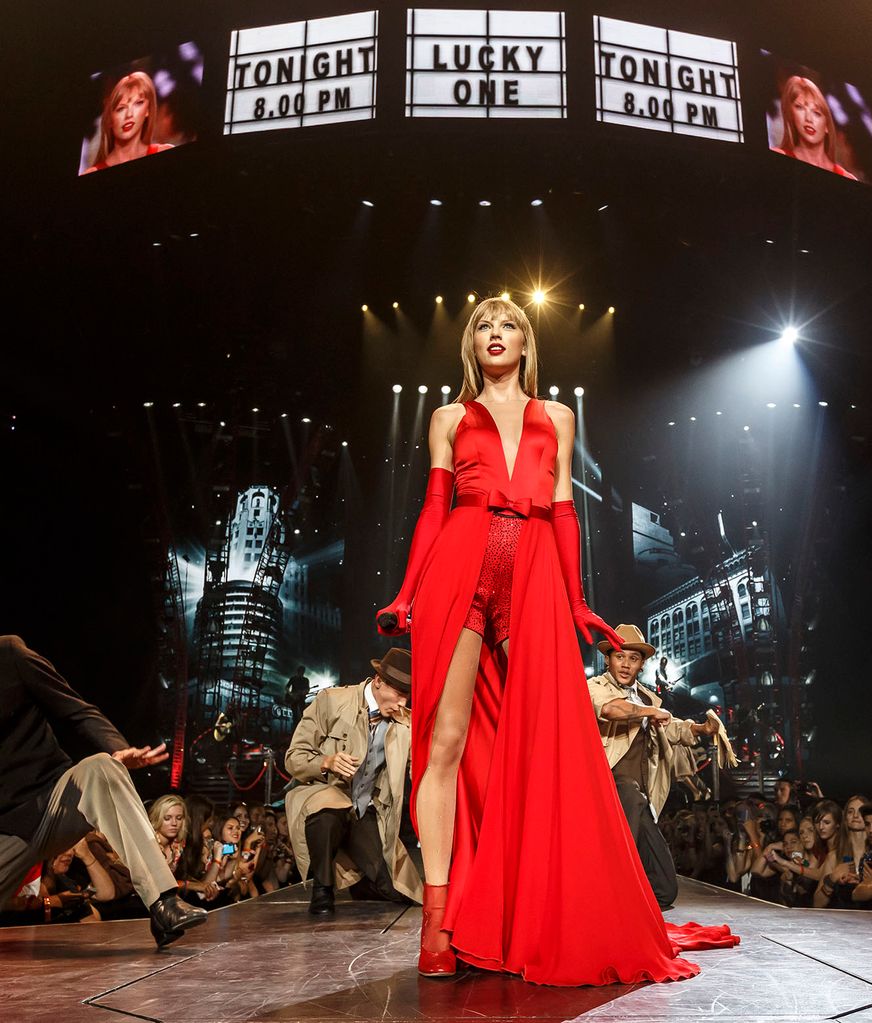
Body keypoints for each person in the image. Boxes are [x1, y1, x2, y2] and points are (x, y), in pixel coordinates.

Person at [376, 297, 738, 984]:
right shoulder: (449, 417)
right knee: (444, 739)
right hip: (461, 561)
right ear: (470, 344)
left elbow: (566, 508)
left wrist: (575, 599)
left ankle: (543, 904)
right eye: (482, 326)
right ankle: (437, 921)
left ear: (526, 342)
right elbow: (433, 505)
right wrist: (404, 590)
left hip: (536, 568)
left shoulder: (557, 417)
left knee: (552, 740)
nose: (494, 334)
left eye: (507, 324)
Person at [0, 635, 207, 946]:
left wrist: (119, 750)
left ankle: (163, 902)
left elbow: (76, 709)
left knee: (101, 767)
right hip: (6, 835)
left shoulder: (8, 654)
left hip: (54, 802)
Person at [586, 623, 736, 909]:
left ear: (642, 664)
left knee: (665, 891)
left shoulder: (647, 698)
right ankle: (606, 897)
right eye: (620, 656)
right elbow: (611, 709)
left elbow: (670, 726)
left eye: (633, 658)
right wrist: (651, 711)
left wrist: (702, 728)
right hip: (606, 788)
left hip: (642, 799)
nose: (626, 664)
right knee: (628, 795)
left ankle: (631, 910)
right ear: (608, 659)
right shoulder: (595, 687)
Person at [285, 647, 422, 915]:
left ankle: (363, 881)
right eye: (399, 693)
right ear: (379, 681)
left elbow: (418, 768)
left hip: (365, 808)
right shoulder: (332, 701)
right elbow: (293, 757)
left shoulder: (405, 722)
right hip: (325, 798)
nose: (403, 703)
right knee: (326, 814)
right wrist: (326, 762)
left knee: (397, 891)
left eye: (408, 696)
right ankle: (322, 888)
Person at [83, 71, 174, 174]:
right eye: (121, 108)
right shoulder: (91, 169)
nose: (129, 114)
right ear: (109, 118)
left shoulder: (165, 150)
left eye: (138, 103)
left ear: (147, 110)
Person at [771, 75, 858, 179]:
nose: (809, 119)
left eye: (817, 113)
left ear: (827, 126)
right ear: (791, 116)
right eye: (800, 108)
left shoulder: (848, 177)